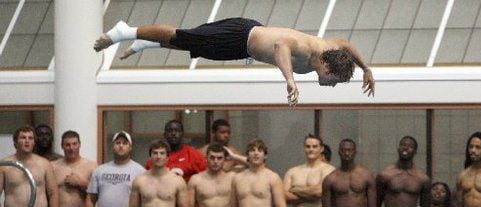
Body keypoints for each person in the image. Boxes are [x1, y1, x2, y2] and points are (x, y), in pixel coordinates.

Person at [94, 17, 375, 106]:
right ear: (326, 67)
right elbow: (280, 46)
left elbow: (347, 44)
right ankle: (125, 31)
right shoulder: (307, 50)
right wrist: (289, 80)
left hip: (244, 46)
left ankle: (147, 43)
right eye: (334, 81)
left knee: (192, 45)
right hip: (239, 36)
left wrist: (366, 69)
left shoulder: (331, 49)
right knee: (181, 36)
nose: (332, 85)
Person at [0, 125, 58, 207]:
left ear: (34, 142)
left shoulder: (44, 164)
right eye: (23, 137)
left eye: (30, 138)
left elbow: (53, 194)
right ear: (15, 142)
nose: (27, 141)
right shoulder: (5, 164)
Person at [52, 130, 97, 207]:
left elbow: (98, 195)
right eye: (67, 145)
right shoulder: (52, 167)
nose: (71, 148)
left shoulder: (91, 167)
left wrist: (81, 183)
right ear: (62, 146)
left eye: (74, 144)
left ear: (79, 144)